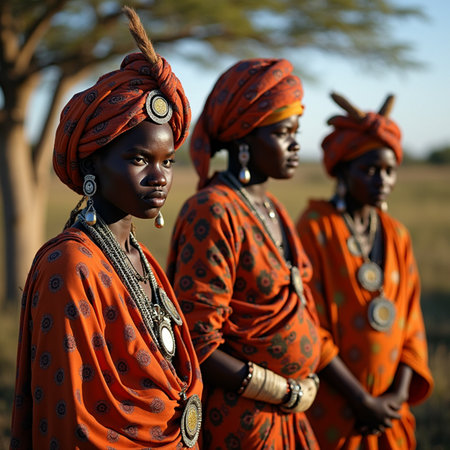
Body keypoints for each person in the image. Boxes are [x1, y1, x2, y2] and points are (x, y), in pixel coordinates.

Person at [10, 7, 202, 449]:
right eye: (139, 160)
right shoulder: (70, 264)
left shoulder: (140, 256)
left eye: (167, 161)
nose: (160, 177)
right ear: (94, 162)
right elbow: (72, 420)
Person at [166, 58, 324, 449]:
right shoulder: (214, 210)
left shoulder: (274, 208)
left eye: (296, 131)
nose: (296, 144)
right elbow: (198, 339)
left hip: (291, 416)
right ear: (244, 142)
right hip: (243, 422)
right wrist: (282, 390)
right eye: (284, 132)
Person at [296, 92, 434, 449]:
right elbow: (311, 327)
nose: (382, 180)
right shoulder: (315, 228)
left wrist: (396, 399)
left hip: (389, 409)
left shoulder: (396, 234)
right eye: (370, 169)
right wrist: (361, 400)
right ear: (343, 169)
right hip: (334, 409)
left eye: (389, 171)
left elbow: (411, 325)